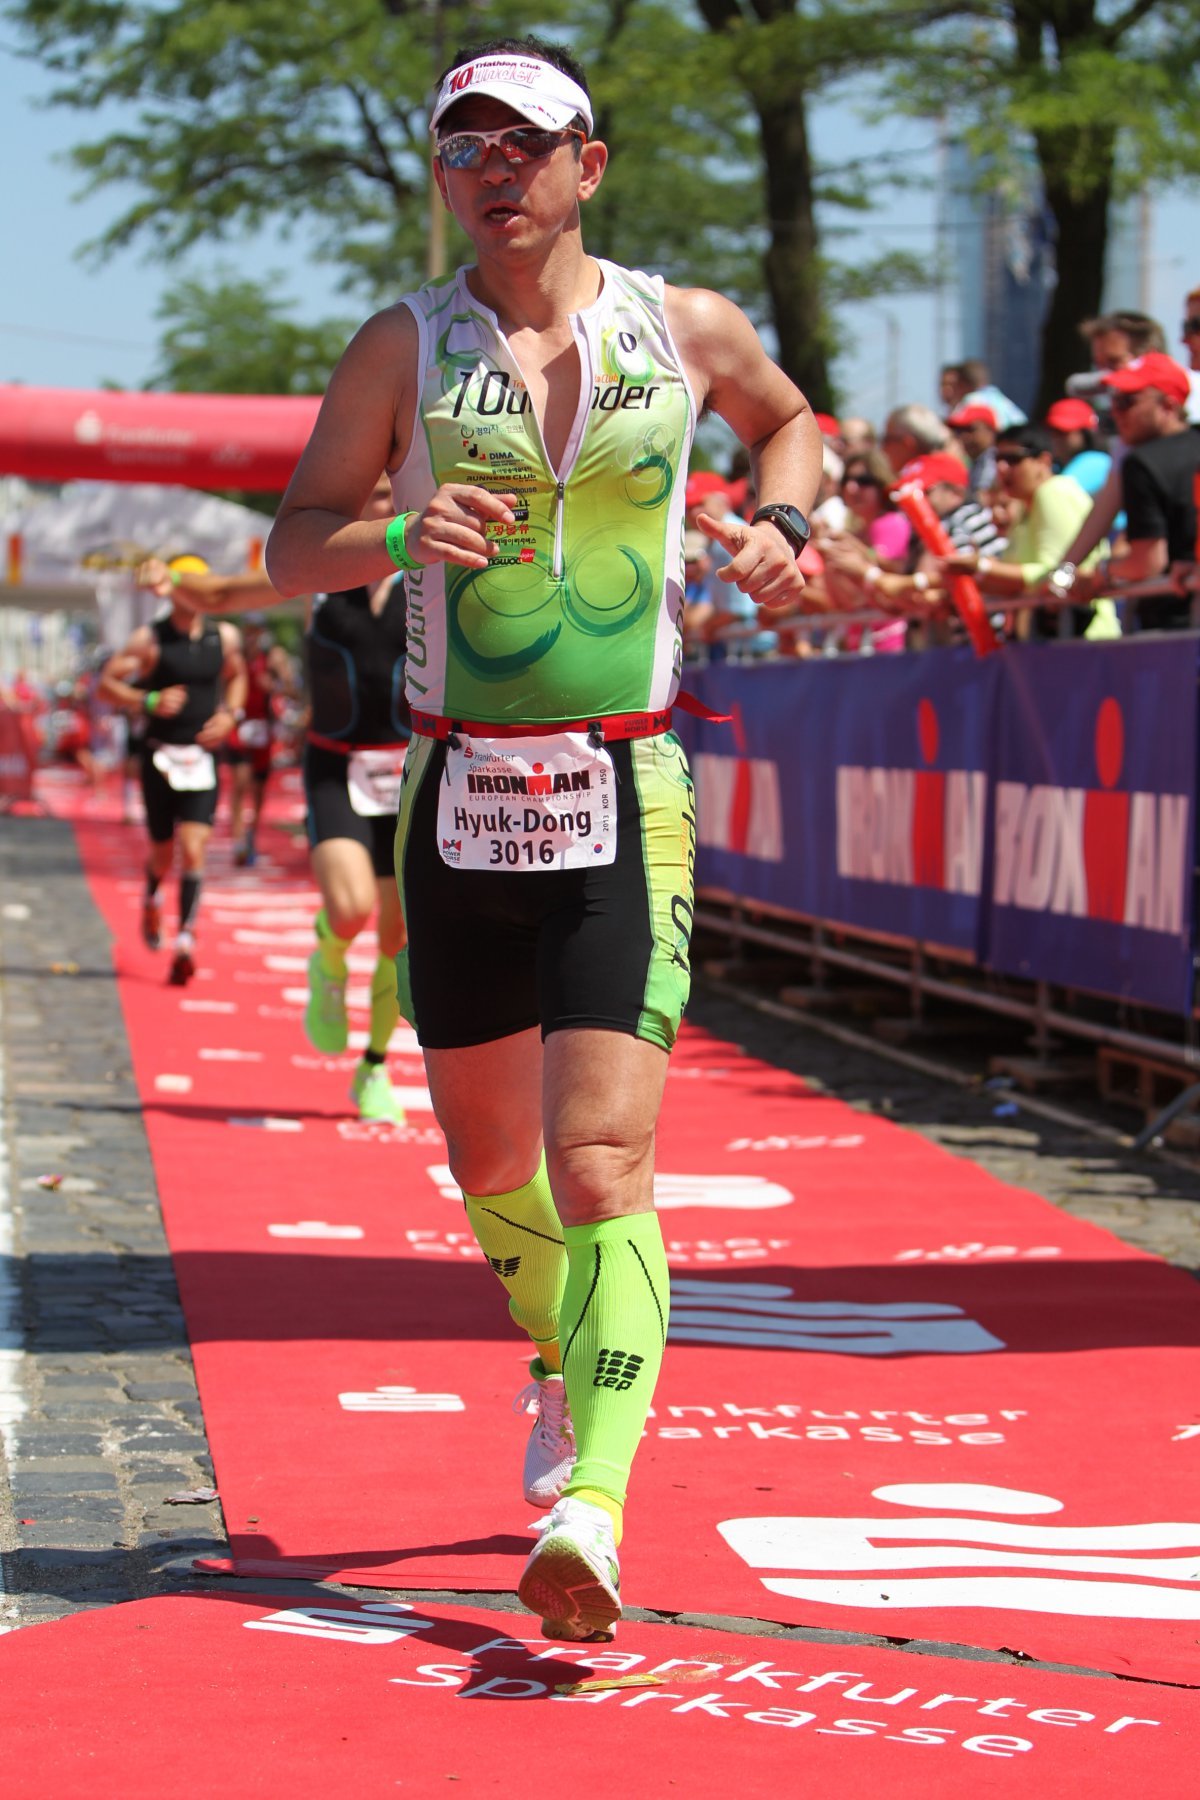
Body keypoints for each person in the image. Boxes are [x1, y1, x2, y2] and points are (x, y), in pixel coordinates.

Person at [265, 32, 820, 1644]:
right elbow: (295, 541)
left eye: (525, 143)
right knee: (493, 1166)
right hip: (461, 795)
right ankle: (557, 1359)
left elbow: (792, 422)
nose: (494, 170)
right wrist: (392, 528)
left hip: (624, 789)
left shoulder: (683, 324)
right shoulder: (403, 343)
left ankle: (597, 1503)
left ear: (591, 164)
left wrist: (785, 520)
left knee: (603, 1159)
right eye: (467, 147)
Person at [144, 479, 414, 1126]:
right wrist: (169, 579)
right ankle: (328, 956)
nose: (385, 496)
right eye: (374, 487)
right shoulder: (321, 572)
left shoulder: (428, 571)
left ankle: (374, 1067)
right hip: (336, 764)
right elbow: (223, 595)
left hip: (407, 770)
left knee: (397, 934)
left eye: (394, 487)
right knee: (350, 909)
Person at [98, 556, 247, 985]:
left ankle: (185, 938)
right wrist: (146, 700)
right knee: (163, 853)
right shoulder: (151, 639)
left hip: (202, 758)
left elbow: (237, 677)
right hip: (160, 757)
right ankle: (151, 895)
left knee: (195, 848)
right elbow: (106, 684)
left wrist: (231, 715)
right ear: (174, 589)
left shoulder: (224, 636)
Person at [932, 423, 1108, 639]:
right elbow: (1017, 582)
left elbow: (1055, 575)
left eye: (1013, 459)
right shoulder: (1025, 507)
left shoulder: (1054, 492)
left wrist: (983, 567)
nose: (1002, 468)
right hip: (1048, 641)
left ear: (1043, 461)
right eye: (998, 459)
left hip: (1085, 639)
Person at [1068, 353, 1200, 631]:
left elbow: (1147, 563)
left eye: (1127, 402)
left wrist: (1102, 572)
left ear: (1168, 405)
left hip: (1173, 626)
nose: (1116, 412)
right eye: (1114, 401)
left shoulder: (1141, 463)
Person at [224, 616, 295, 867]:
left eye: (256, 631)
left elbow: (292, 691)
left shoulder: (272, 658)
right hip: (239, 727)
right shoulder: (235, 658)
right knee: (240, 783)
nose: (252, 637)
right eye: (248, 631)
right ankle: (237, 841)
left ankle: (251, 835)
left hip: (263, 731)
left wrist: (275, 684)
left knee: (258, 790)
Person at [1044, 398, 1110, 498]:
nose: (1055, 437)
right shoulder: (1056, 466)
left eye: (1063, 431)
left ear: (1085, 434)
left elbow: (1058, 495)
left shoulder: (1096, 460)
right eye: (1052, 430)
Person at [945, 402, 998, 496]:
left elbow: (982, 497)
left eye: (970, 429)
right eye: (958, 431)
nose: (964, 437)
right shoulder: (975, 461)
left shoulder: (998, 461)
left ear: (990, 431)